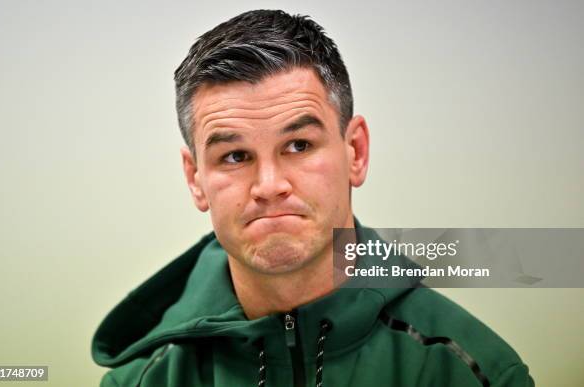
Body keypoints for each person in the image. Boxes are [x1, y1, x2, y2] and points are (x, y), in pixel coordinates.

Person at [92, 9, 534, 386]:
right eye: (235, 155)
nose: (268, 185)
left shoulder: (472, 372)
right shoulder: (139, 380)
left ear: (355, 151)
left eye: (299, 145)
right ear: (195, 179)